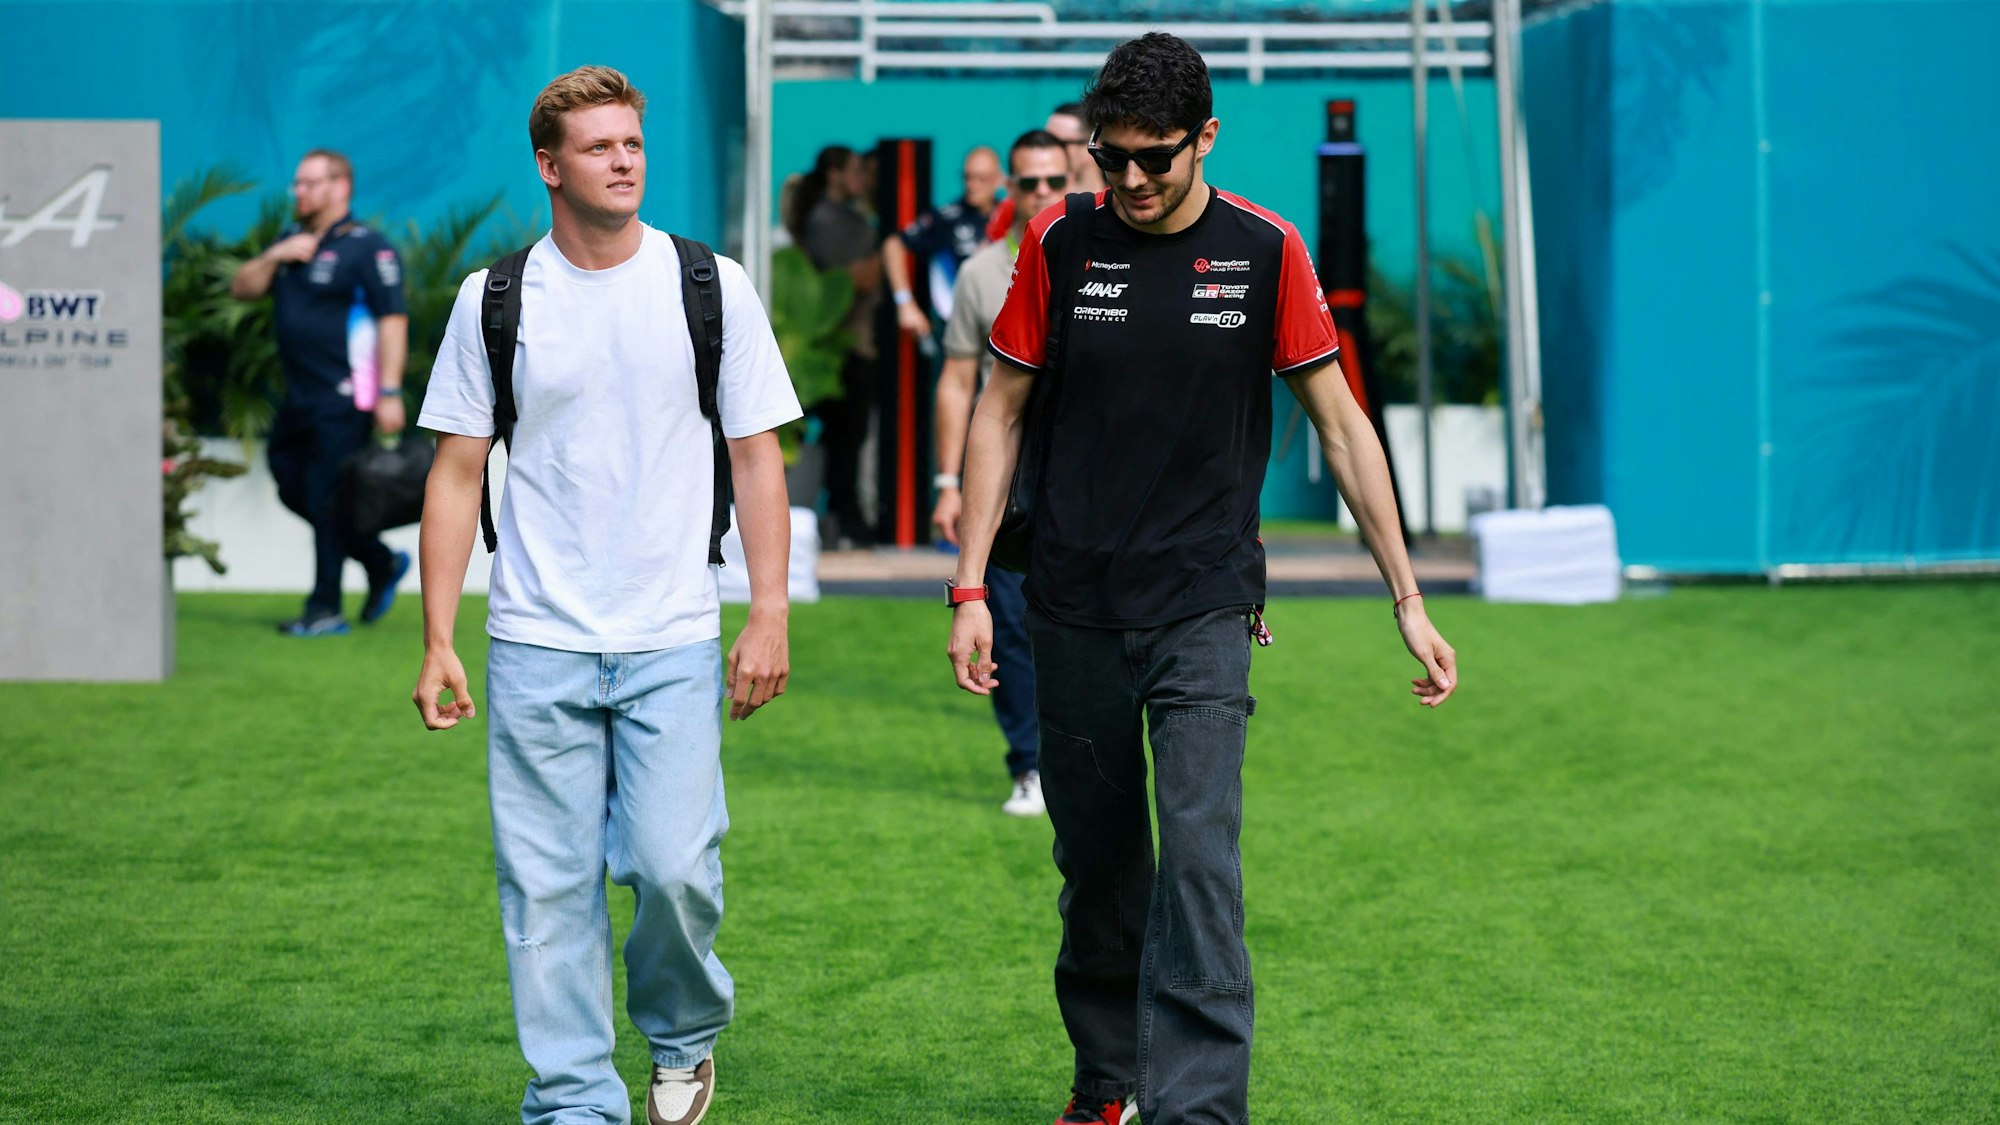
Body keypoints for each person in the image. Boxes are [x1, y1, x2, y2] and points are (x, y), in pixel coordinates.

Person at [945, 34, 1459, 1125]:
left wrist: (1406, 599)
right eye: (1111, 156)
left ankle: (1199, 1109)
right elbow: (997, 412)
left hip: (1205, 603)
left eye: (1155, 158)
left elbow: (1342, 426)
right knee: (1097, 867)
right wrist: (968, 586)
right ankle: (1108, 1079)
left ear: (1204, 139)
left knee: (1196, 862)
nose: (1129, 180)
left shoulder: (1265, 250)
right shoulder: (1055, 241)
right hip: (1070, 599)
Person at [410, 65, 800, 1125]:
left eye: (631, 143)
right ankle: (574, 1099)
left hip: (672, 632)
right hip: (535, 640)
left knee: (675, 871)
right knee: (544, 897)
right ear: (549, 166)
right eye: (598, 147)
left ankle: (680, 1040)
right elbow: (453, 475)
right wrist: (440, 637)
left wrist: (765, 613)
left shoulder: (706, 284)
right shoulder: (495, 299)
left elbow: (758, 458)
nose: (623, 160)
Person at [932, 130, 1069, 818]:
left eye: (1054, 180)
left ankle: (1080, 759)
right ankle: (1029, 764)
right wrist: (947, 483)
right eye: (1029, 182)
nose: (1042, 193)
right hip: (1008, 484)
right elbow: (958, 383)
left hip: (1086, 480)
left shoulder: (1105, 259)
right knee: (1007, 625)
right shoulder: (984, 273)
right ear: (1009, 189)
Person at [230, 148, 410, 636]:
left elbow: (392, 320)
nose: (299, 193)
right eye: (297, 184)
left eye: (309, 183)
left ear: (340, 186)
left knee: (329, 497)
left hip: (344, 397)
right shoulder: (290, 239)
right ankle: (378, 560)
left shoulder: (368, 247)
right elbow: (241, 289)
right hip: (297, 397)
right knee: (293, 484)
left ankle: (325, 608)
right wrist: (273, 255)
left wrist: (389, 392)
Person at [789, 144, 882, 546]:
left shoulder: (851, 219)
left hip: (849, 346)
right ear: (835, 175)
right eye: (856, 171)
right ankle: (845, 522)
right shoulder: (827, 222)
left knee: (847, 439)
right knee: (844, 440)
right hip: (835, 349)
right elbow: (854, 279)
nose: (863, 179)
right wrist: (892, 251)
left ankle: (843, 519)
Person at [884, 145, 1001, 339]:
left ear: (998, 180)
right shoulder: (946, 218)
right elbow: (893, 245)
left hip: (1001, 324)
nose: (973, 184)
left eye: (982, 178)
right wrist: (905, 303)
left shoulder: (1011, 217)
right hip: (955, 326)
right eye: (968, 177)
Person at [985, 103, 1107, 243]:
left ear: (1093, 145)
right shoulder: (1015, 206)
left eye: (1058, 142)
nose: (1046, 147)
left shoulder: (1119, 203)